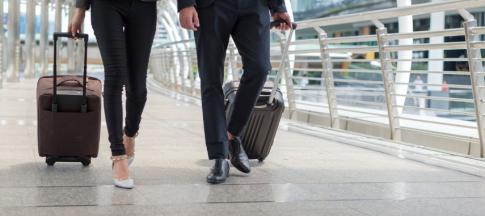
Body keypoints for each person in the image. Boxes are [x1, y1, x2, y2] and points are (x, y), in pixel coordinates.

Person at [178, 0, 292, 184]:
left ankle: (231, 135)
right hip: (210, 7)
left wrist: (278, 7)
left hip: (255, 5)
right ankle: (219, 156)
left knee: (260, 68)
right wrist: (185, 4)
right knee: (211, 79)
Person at [70, 0, 158, 189]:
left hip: (144, 5)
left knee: (138, 89)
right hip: (106, 5)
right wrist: (80, 9)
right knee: (115, 75)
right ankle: (118, 154)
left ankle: (130, 134)